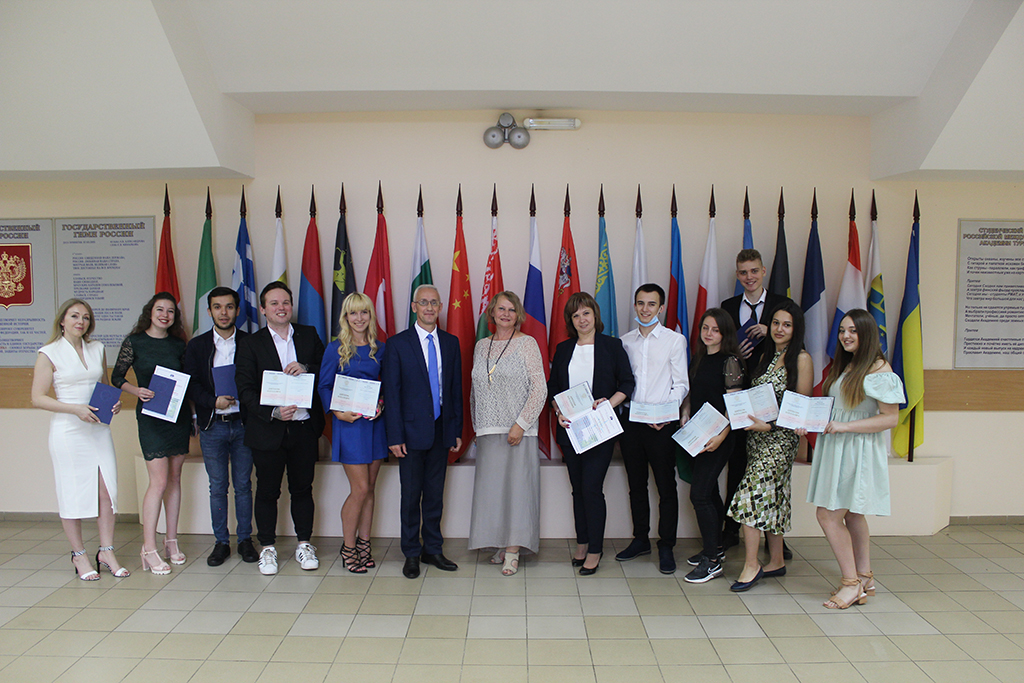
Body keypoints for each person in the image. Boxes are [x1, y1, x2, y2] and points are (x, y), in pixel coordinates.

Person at [806, 308, 903, 609]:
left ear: (867, 333)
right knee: (853, 514)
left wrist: (846, 427)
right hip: (838, 445)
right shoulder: (847, 364)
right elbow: (838, 408)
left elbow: (890, 418)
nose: (845, 336)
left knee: (828, 515)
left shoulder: (879, 369)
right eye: (842, 330)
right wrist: (808, 422)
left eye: (853, 331)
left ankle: (851, 584)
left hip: (855, 449)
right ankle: (864, 577)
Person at [31, 299, 129, 580]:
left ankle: (106, 551)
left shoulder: (97, 348)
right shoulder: (49, 353)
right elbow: (37, 398)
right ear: (62, 320)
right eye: (74, 316)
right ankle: (79, 555)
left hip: (98, 428)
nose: (80, 321)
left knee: (107, 490)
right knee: (71, 492)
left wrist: (115, 403)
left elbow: (104, 386)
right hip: (69, 430)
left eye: (85, 317)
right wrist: (75, 409)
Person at [235, 282, 325, 576]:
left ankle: (304, 544)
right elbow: (244, 389)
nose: (281, 307)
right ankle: (268, 548)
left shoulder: (308, 335)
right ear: (263, 309)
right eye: (273, 303)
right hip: (267, 430)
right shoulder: (251, 343)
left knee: (303, 489)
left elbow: (327, 369)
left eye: (285, 302)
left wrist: (307, 368)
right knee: (267, 491)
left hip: (303, 429)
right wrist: (272, 412)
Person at [727, 301, 813, 591]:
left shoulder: (802, 359)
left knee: (748, 496)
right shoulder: (766, 354)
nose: (779, 329)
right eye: (776, 323)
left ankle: (752, 565)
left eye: (786, 325)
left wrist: (770, 426)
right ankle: (776, 560)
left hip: (780, 439)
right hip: (756, 438)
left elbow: (800, 408)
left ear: (796, 329)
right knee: (774, 495)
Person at [549, 292, 634, 576]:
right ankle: (583, 542)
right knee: (577, 490)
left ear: (595, 315)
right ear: (570, 321)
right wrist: (558, 411)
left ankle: (596, 549)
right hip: (570, 431)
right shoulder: (563, 349)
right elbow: (553, 388)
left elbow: (627, 383)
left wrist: (608, 403)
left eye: (586, 313)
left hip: (599, 430)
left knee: (591, 489)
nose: (582, 319)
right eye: (576, 315)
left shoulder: (612, 346)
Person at [383, 284, 463, 580]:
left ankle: (433, 549)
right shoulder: (397, 344)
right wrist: (394, 436)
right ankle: (411, 553)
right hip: (409, 433)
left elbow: (455, 390)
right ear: (414, 307)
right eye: (423, 302)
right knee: (410, 496)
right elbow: (392, 393)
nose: (429, 307)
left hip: (441, 430)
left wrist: (456, 430)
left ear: (440, 307)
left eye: (434, 303)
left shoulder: (451, 342)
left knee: (434, 495)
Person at [112, 292, 192, 575]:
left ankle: (171, 541)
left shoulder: (178, 344)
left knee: (174, 478)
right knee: (157, 482)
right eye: (160, 309)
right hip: (151, 418)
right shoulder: (134, 342)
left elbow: (188, 380)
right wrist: (136, 391)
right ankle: (148, 548)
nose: (165, 315)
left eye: (170, 311)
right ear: (150, 312)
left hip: (178, 417)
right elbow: (116, 377)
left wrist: (193, 415)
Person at [468, 291, 547, 576]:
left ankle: (513, 550)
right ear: (492, 312)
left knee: (517, 491)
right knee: (493, 493)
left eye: (511, 310)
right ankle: (501, 543)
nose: (506, 314)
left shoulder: (528, 344)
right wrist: (477, 426)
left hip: (518, 432)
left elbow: (540, 388)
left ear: (518, 315)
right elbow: (475, 390)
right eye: (501, 309)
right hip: (488, 432)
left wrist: (521, 424)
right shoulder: (481, 346)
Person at [720, 249, 791, 554]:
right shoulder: (728, 306)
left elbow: (795, 340)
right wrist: (735, 351)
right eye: (743, 272)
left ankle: (775, 541)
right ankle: (731, 530)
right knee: (737, 464)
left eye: (753, 271)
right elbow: (721, 346)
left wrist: (768, 332)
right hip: (738, 395)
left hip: (772, 398)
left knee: (772, 476)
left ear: (763, 271)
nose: (749, 277)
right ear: (737, 275)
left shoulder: (781, 305)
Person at [616, 283, 689, 574]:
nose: (645, 309)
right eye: (640, 303)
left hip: (662, 425)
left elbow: (681, 384)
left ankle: (666, 545)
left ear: (661, 308)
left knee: (665, 486)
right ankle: (640, 539)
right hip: (632, 423)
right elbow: (622, 382)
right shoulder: (625, 342)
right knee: (636, 485)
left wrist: (666, 413)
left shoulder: (674, 340)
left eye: (651, 304)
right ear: (635, 306)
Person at [183, 286, 257, 567]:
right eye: (217, 307)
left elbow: (260, 379)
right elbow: (191, 384)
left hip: (244, 424)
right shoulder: (197, 345)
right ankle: (221, 542)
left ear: (237, 310)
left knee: (243, 485)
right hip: (213, 425)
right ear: (209, 311)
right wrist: (213, 402)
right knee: (217, 486)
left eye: (229, 307)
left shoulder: (251, 342)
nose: (223, 312)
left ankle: (245, 540)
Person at [317, 293, 387, 573]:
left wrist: (382, 404)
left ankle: (364, 545)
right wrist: (337, 412)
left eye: (364, 312)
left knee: (370, 489)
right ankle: (348, 547)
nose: (359, 318)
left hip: (375, 425)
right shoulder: (335, 349)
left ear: (371, 315)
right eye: (353, 313)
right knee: (359, 489)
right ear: (345, 317)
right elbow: (324, 386)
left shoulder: (380, 348)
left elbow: (387, 385)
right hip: (349, 425)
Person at [681, 308, 744, 583]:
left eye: (715, 330)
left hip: (719, 438)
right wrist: (685, 413)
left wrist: (721, 436)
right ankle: (716, 547)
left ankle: (712, 561)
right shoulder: (699, 357)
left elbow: (735, 404)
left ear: (725, 333)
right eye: (705, 328)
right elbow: (693, 394)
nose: (709, 334)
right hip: (698, 436)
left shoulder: (730, 361)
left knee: (700, 495)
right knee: (710, 493)